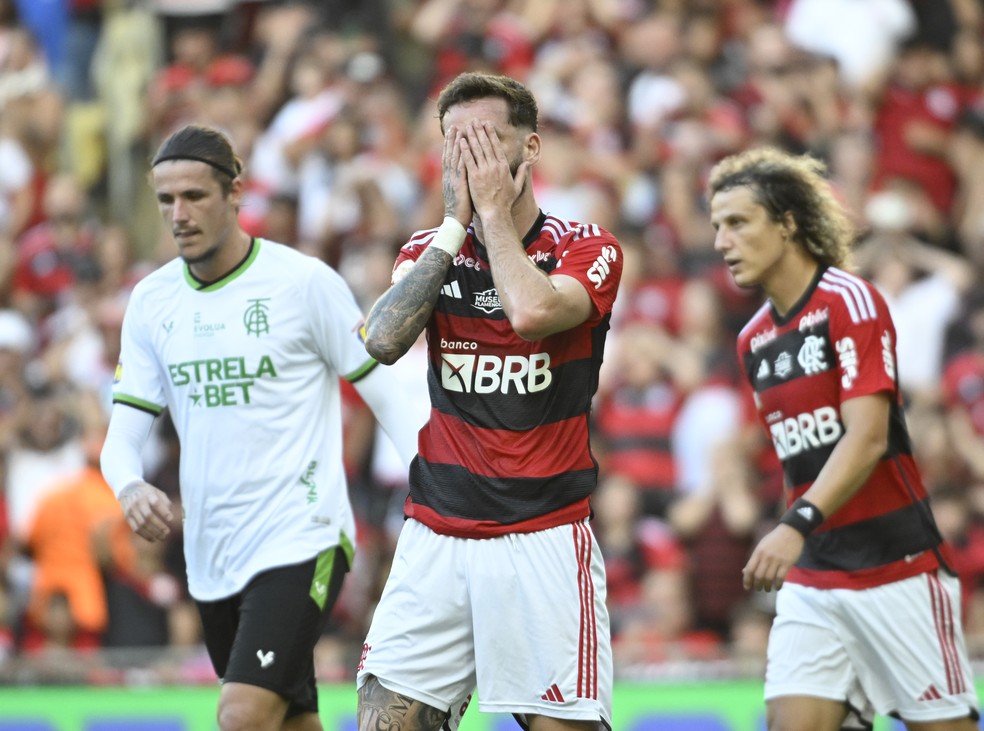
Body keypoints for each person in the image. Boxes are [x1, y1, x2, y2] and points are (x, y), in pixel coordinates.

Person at [99, 124, 419, 731]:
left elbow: (389, 396)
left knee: (242, 714)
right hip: (213, 548)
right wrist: (129, 486)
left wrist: (437, 492)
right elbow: (123, 437)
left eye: (194, 196)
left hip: (304, 535)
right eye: (166, 200)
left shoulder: (304, 284)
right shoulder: (151, 302)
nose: (179, 213)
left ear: (235, 192)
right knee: (290, 720)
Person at [356, 72, 621, 731]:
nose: (469, 157)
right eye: (455, 142)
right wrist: (455, 225)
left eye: (486, 140)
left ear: (529, 148)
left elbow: (532, 311)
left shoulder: (587, 247)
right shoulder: (428, 251)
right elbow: (381, 342)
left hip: (543, 532)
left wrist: (494, 215)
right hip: (437, 529)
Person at [707, 146, 980, 731]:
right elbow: (796, 457)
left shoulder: (850, 301)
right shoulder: (752, 338)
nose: (721, 241)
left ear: (787, 223)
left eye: (737, 222)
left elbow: (868, 438)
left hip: (896, 567)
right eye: (715, 226)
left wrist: (792, 524)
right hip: (816, 575)